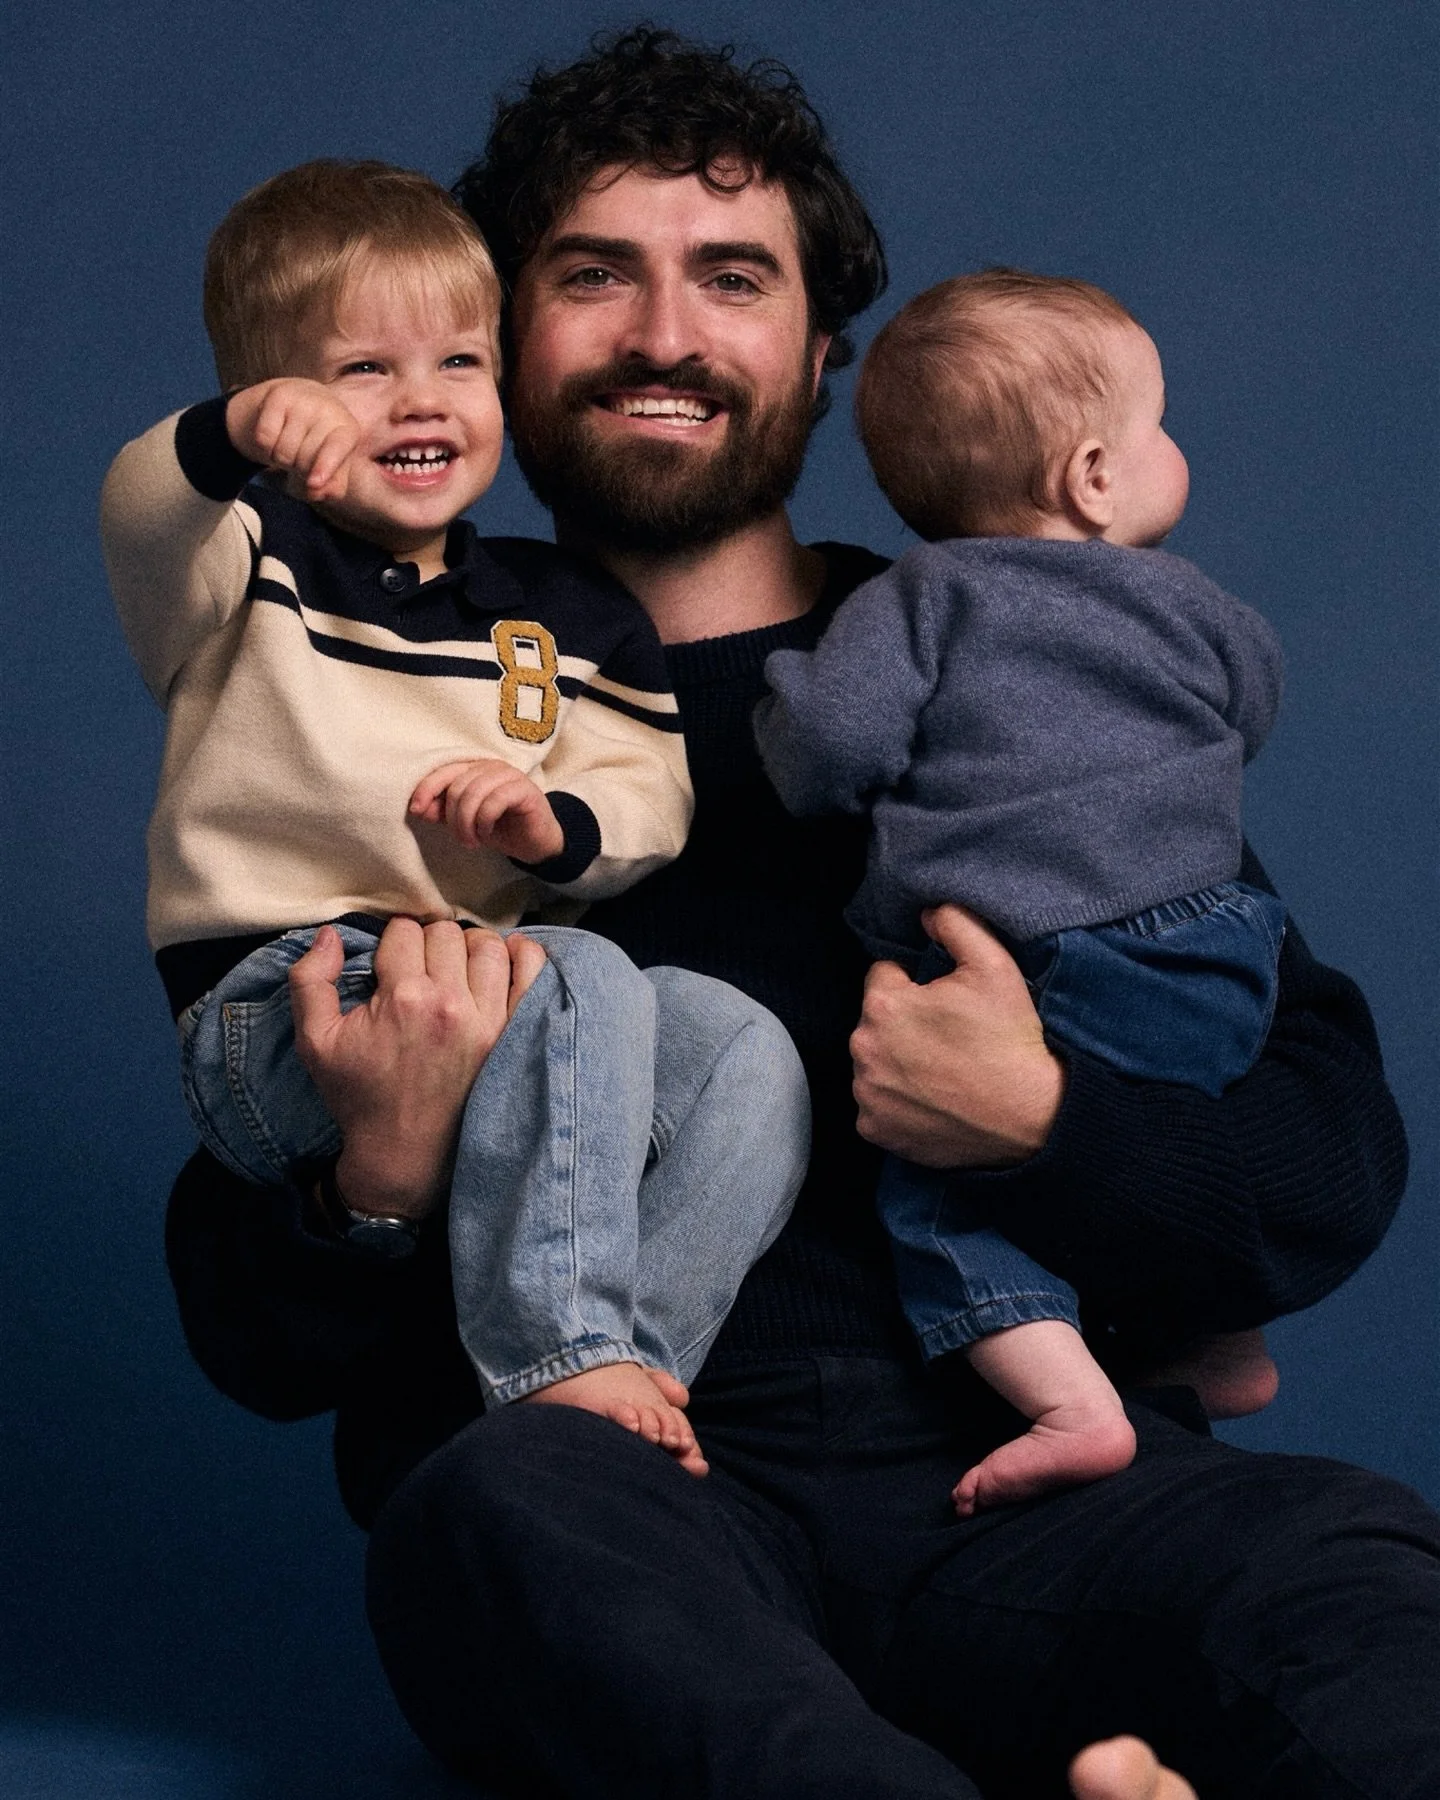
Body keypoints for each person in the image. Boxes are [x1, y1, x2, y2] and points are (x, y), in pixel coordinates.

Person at [161, 27, 1440, 1800]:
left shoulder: (1017, 667)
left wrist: (1046, 1124)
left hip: (1030, 1498)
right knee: (493, 1522)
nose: (667, 336)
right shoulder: (383, 696)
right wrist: (374, 1178)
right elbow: (244, 1334)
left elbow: (1327, 1159)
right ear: (503, 340)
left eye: (733, 278)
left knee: (1358, 1582)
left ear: (825, 351)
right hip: (638, 1518)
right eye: (592, 275)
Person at [102, 156, 810, 1471]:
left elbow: (646, 789)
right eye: (360, 372)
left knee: (739, 1051)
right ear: (276, 403)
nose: (420, 402)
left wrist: (552, 828)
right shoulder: (247, 562)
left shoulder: (569, 614)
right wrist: (230, 436)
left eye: (461, 364)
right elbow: (142, 512)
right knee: (582, 970)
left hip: (491, 991)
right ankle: (551, 1354)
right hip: (283, 1005)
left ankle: (633, 1366)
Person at [755, 268, 1287, 1516]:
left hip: (1046, 964)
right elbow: (1250, 707)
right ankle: (1224, 1337)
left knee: (938, 1194)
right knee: (1166, 1128)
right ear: (1095, 478)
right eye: (1160, 424)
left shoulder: (921, 596)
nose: (1175, 449)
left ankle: (1071, 1405)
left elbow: (830, 754)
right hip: (1225, 949)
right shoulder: (1195, 603)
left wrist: (785, 687)